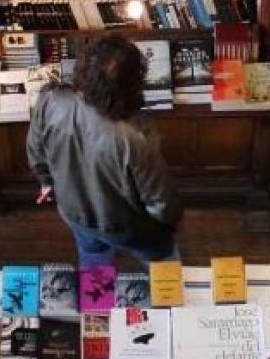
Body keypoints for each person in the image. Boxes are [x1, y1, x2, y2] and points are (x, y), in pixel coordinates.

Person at [27, 33, 181, 267]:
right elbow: (160, 202)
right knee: (165, 270)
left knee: (95, 276)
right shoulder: (135, 136)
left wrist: (47, 181)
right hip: (127, 226)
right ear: (132, 82)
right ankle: (165, 302)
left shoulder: (51, 100)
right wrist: (168, 227)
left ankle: (98, 301)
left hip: (75, 214)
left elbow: (36, 153)